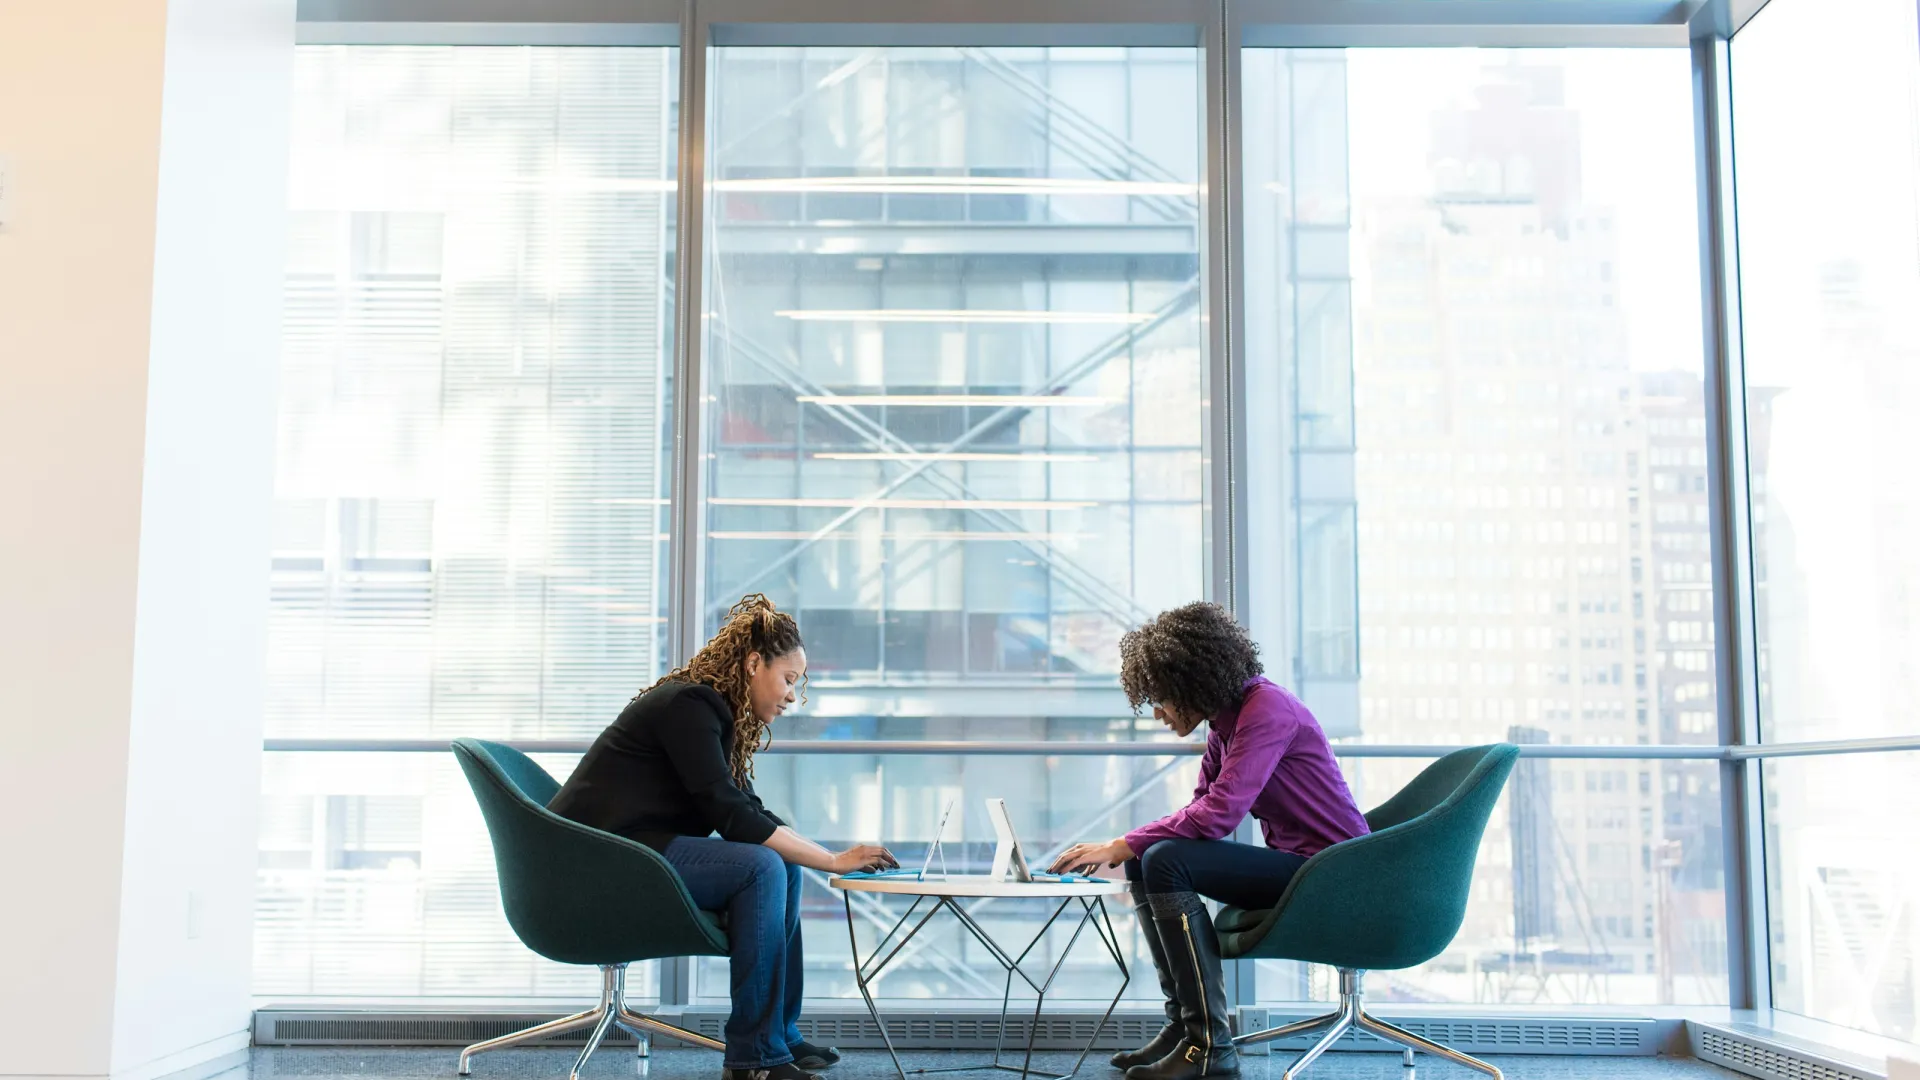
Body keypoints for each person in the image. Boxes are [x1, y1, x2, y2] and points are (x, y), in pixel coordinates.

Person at [550, 594, 897, 1080]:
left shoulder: (712, 710)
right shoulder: (692, 705)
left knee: (783, 862)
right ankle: (753, 1059)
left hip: (633, 848)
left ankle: (778, 1037)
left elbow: (746, 809)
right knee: (761, 865)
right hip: (597, 859)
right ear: (754, 663)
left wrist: (819, 854)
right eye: (789, 679)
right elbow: (728, 813)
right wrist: (834, 860)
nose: (793, 696)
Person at [1050, 602, 1371, 1080]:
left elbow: (1219, 815)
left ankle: (1210, 1047)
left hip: (1334, 875)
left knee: (1159, 857)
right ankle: (1184, 1029)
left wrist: (1123, 843)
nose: (1157, 713)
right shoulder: (1228, 723)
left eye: (1160, 698)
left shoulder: (1267, 711)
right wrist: (1126, 845)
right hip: (1303, 867)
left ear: (1190, 684)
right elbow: (1198, 807)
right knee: (1150, 857)